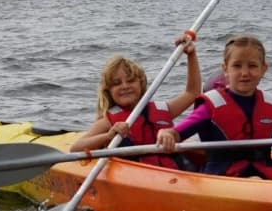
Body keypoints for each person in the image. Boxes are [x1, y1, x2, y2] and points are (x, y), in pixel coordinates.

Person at [159, 34, 272, 179]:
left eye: (252, 66)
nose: (245, 73)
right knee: (254, 180)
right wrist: (167, 134)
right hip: (224, 174)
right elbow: (177, 133)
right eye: (237, 66)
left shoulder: (267, 103)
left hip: (264, 168)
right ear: (225, 69)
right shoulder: (211, 106)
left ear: (263, 69)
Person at [69, 35, 201, 169]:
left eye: (131, 80)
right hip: (134, 176)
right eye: (116, 83)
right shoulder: (107, 122)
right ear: (109, 91)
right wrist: (108, 136)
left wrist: (191, 55)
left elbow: (192, 93)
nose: (125, 86)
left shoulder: (163, 110)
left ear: (141, 84)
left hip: (172, 174)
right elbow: (76, 148)